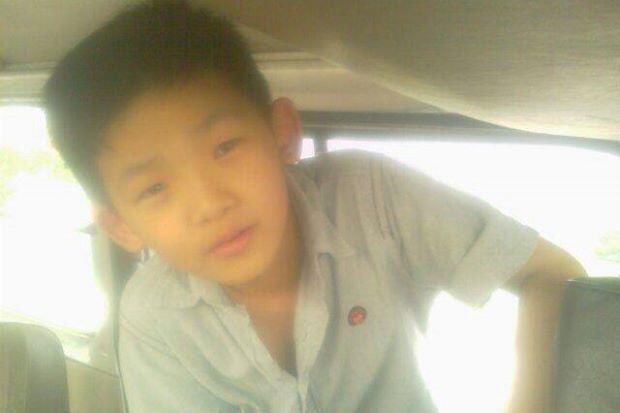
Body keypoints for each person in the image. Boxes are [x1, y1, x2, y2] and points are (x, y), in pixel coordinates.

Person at [43, 1, 586, 412]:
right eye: (154, 188)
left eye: (225, 147)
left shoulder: (372, 197)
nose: (209, 204)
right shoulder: (152, 318)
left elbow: (554, 273)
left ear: (281, 134)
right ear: (121, 226)